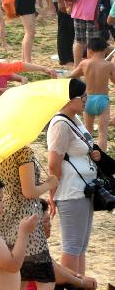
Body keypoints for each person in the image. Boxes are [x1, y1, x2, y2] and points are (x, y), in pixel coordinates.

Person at [0, 141, 59, 290]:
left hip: (5, 219)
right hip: (26, 220)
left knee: (18, 282)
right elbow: (29, 191)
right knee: (45, 281)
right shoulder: (22, 152)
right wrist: (49, 184)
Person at [47, 79, 102, 276]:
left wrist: (94, 154)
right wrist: (52, 194)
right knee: (72, 245)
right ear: (70, 100)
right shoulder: (60, 124)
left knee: (81, 244)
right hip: (70, 190)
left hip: (84, 188)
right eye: (83, 97)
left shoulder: (75, 119)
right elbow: (54, 162)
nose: (86, 100)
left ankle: (80, 288)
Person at [68, 38, 115, 151]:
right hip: (103, 100)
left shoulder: (84, 63)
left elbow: (72, 75)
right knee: (102, 132)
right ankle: (102, 158)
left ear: (89, 50)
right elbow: (114, 81)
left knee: (87, 131)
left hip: (87, 100)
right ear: (105, 50)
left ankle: (88, 154)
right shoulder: (109, 65)